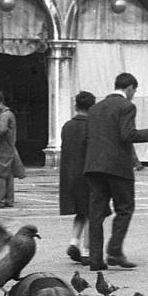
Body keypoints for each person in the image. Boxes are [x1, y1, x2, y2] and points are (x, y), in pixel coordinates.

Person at [83, 72, 148, 271]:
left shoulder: (95, 108)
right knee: (125, 208)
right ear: (129, 88)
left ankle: (95, 259)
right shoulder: (127, 106)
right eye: (134, 91)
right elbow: (127, 134)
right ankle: (115, 251)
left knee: (96, 213)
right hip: (117, 168)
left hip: (94, 167)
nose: (134, 95)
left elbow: (88, 138)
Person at [59, 91, 95, 264]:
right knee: (91, 212)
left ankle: (74, 241)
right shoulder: (92, 126)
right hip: (87, 175)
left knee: (81, 211)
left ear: (76, 106)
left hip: (69, 174)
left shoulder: (67, 126)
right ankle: (87, 250)